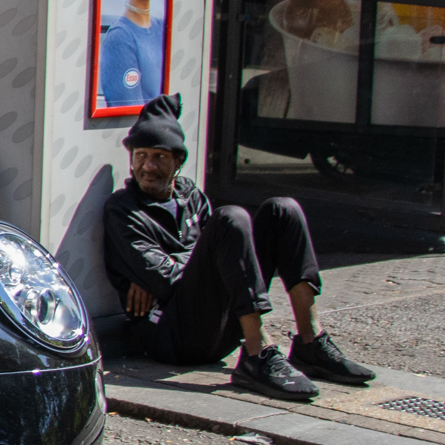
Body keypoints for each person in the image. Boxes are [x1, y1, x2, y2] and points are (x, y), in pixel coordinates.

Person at [100, 93, 374, 399]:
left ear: (178, 162)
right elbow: (167, 281)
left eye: (159, 157)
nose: (148, 166)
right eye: (140, 155)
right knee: (231, 219)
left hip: (218, 323)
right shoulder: (122, 209)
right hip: (171, 335)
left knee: (283, 210)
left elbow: (203, 258)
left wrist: (188, 257)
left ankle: (311, 342)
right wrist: (199, 257)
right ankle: (259, 353)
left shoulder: (190, 195)